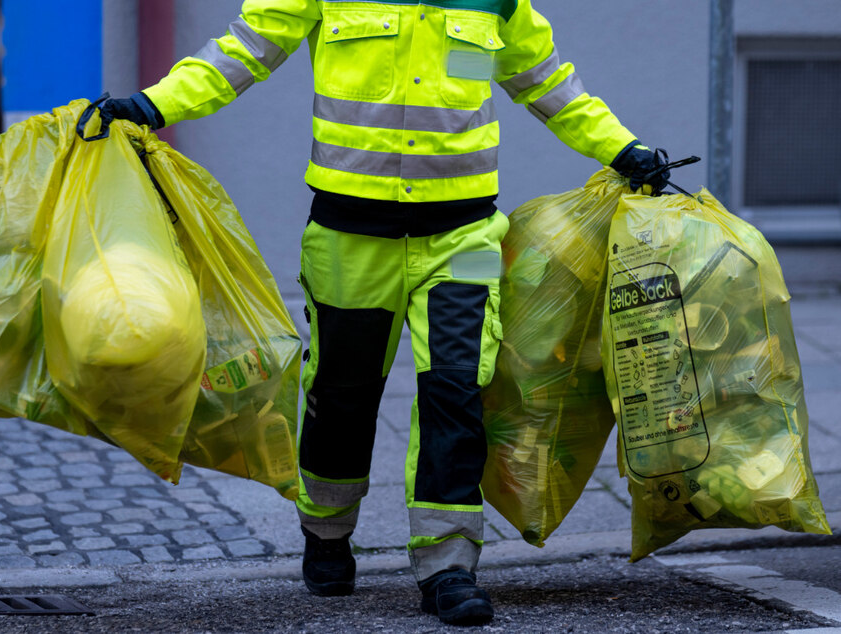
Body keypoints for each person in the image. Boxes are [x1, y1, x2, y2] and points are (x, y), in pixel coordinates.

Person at [101, 0, 670, 626]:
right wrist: (154, 106)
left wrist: (623, 148)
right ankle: (326, 533)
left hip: (467, 238)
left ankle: (448, 566)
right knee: (340, 394)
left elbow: (547, 81)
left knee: (456, 389)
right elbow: (243, 50)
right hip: (349, 235)